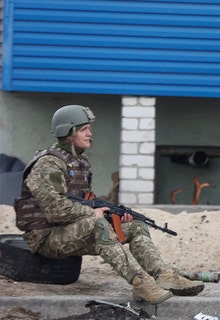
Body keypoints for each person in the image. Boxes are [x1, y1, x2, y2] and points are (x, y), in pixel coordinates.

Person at [14, 104, 204, 304]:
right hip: (45, 238)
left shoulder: (80, 162)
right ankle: (141, 283)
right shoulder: (48, 164)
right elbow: (56, 211)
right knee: (97, 224)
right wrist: (94, 215)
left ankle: (165, 275)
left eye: (89, 128)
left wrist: (112, 216)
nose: (90, 134)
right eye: (83, 129)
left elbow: (85, 202)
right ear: (69, 133)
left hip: (70, 230)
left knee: (135, 226)